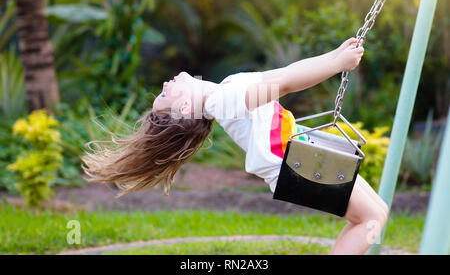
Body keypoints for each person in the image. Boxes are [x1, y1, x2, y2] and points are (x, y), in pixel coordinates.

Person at [82, 37, 388, 255]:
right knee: (372, 218)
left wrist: (334, 57)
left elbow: (284, 73)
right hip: (294, 162)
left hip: (298, 157)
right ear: (186, 108)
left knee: (374, 214)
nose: (165, 85)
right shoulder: (222, 102)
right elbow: (284, 84)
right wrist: (335, 65)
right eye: (165, 96)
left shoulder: (226, 90)